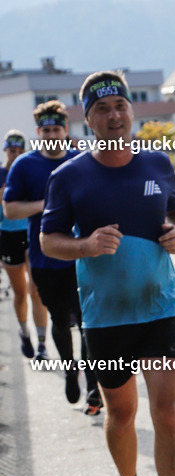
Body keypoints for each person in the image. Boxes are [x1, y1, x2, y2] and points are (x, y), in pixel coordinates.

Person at [40, 71, 175, 476]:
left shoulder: (157, 163)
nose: (113, 116)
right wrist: (85, 244)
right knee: (122, 413)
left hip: (159, 308)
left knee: (167, 412)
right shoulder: (68, 177)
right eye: (102, 110)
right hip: (105, 316)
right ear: (87, 119)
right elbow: (48, 241)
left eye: (120, 106)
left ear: (132, 112)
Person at [2, 102, 101, 412]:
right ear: (38, 133)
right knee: (60, 320)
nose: (52, 134)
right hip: (45, 258)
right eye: (46, 130)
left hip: (83, 257)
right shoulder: (25, 165)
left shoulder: (81, 160)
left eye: (57, 129)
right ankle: (71, 370)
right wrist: (47, 204)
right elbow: (10, 209)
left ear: (65, 130)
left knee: (88, 323)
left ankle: (93, 385)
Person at [0, 130, 49, 359]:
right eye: (12, 151)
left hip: (30, 233)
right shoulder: (1, 173)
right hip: (7, 237)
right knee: (20, 293)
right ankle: (24, 332)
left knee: (37, 290)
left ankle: (42, 344)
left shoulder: (27, 170)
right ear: (5, 150)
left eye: (20, 151)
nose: (16, 155)